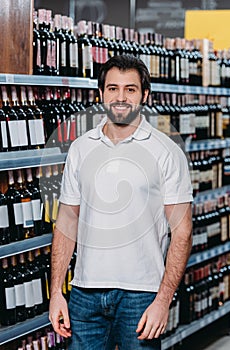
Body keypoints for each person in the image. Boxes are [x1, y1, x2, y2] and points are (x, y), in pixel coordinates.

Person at [49, 54, 193, 350]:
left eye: (130, 89)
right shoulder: (80, 148)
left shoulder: (166, 151)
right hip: (85, 294)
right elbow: (66, 223)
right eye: (113, 88)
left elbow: (183, 232)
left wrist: (163, 300)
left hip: (141, 296)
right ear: (101, 94)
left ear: (145, 95)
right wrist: (55, 293)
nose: (121, 97)